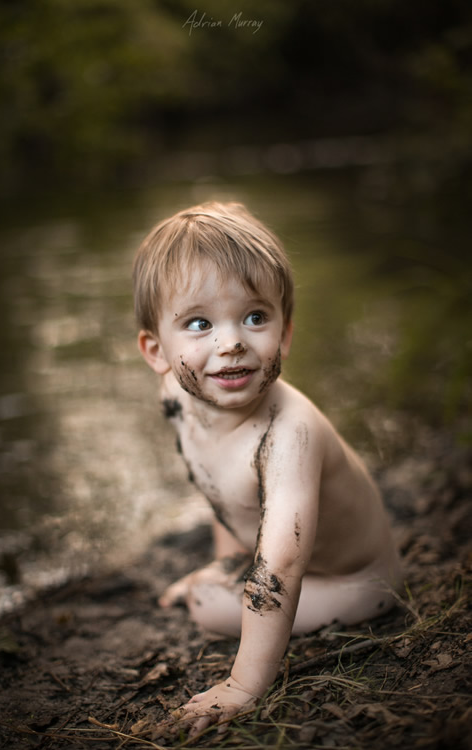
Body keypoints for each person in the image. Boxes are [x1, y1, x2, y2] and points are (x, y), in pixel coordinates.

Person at [133, 201, 403, 736]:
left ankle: (224, 601)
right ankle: (221, 574)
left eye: (255, 317)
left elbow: (280, 563)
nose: (230, 342)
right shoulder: (179, 396)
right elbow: (215, 483)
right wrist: (226, 562)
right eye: (199, 322)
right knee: (214, 582)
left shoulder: (287, 435)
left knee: (208, 605)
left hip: (356, 582)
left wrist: (243, 686)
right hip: (309, 569)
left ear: (284, 334)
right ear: (156, 350)